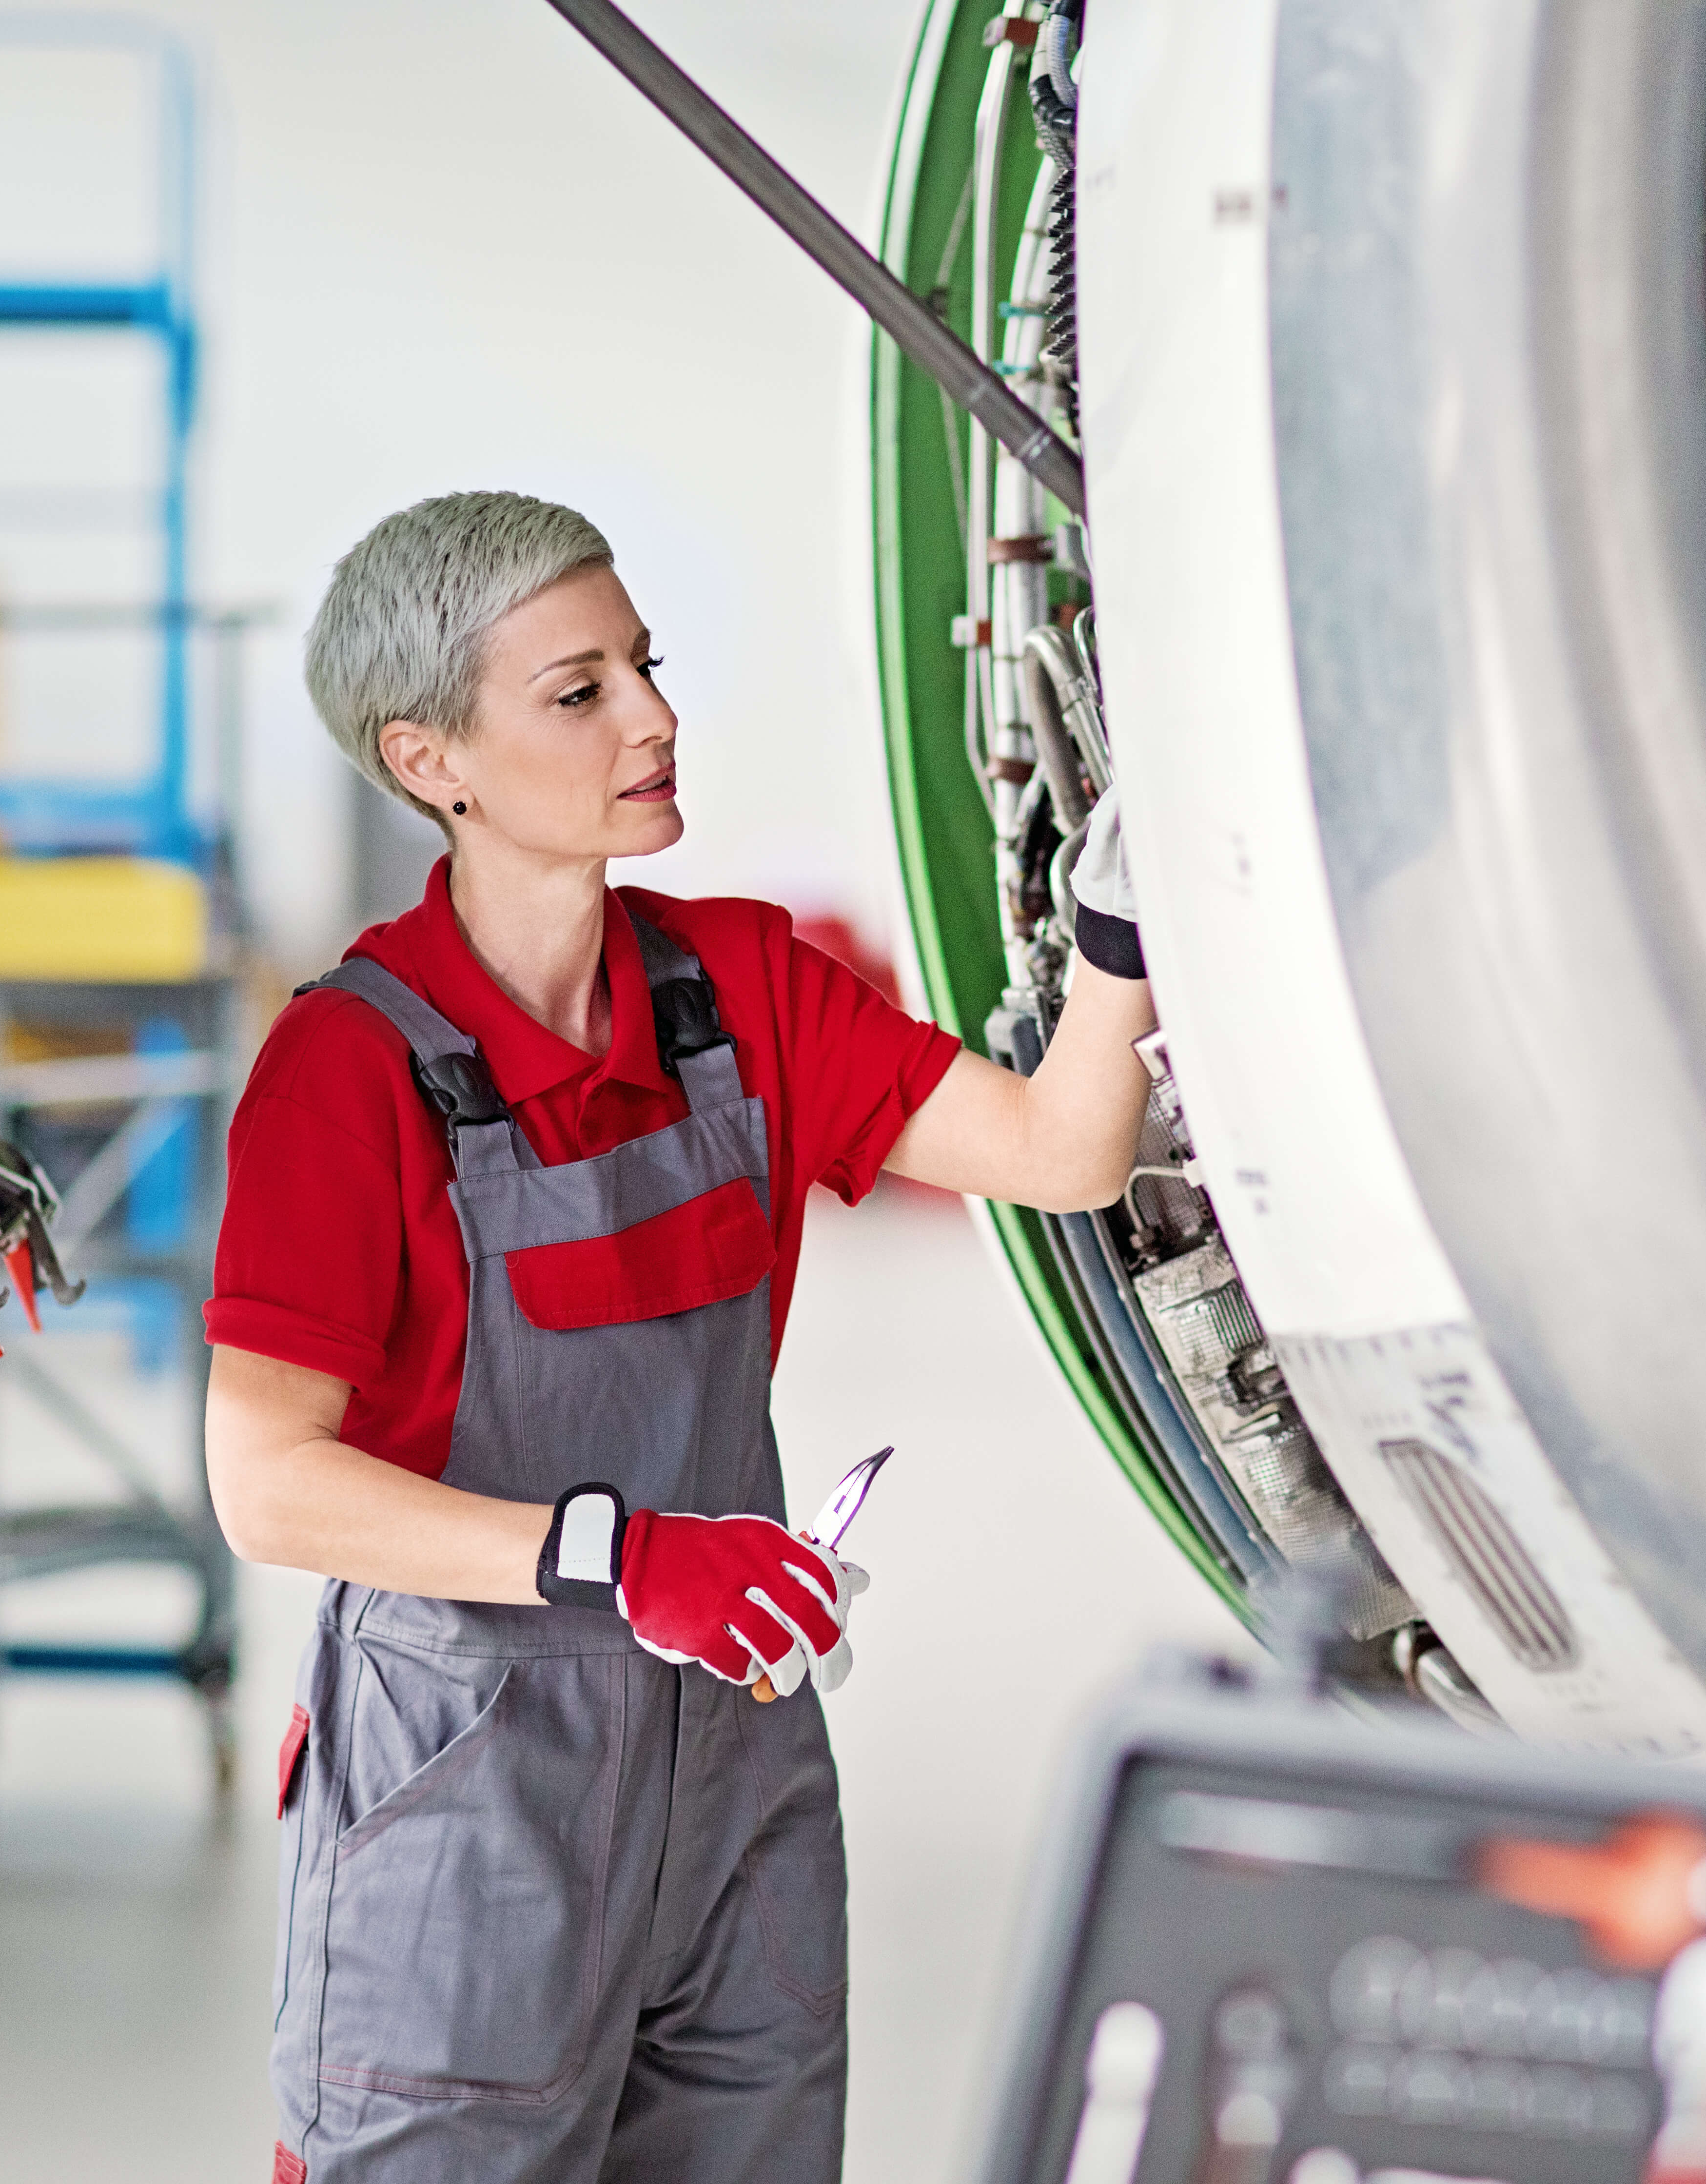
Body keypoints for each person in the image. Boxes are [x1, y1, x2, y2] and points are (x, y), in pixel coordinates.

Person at [202, 490, 1150, 2184]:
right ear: (433, 762)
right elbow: (270, 1488)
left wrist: (1125, 917)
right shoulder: (346, 1075)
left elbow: (1062, 1153)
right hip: (469, 1780)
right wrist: (617, 1558)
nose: (655, 718)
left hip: (735, 1759)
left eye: (645, 666)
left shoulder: (742, 990)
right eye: (581, 694)